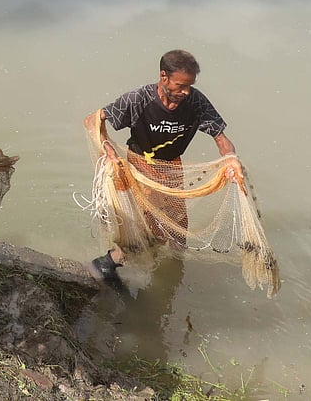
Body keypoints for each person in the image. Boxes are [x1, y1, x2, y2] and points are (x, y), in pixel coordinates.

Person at [83, 49, 237, 286]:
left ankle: (174, 274)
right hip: (139, 165)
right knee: (151, 225)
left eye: (189, 86)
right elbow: (93, 120)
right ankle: (109, 263)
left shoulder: (195, 101)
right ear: (163, 77)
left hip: (172, 167)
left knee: (178, 227)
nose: (185, 92)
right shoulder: (138, 99)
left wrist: (231, 160)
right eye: (180, 86)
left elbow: (221, 138)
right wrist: (107, 147)